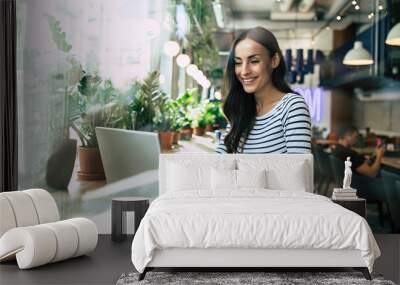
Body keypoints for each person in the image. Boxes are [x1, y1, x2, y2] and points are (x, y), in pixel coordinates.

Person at [215, 27, 311, 154]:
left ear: (274, 61)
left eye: (254, 61)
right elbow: (219, 162)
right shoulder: (240, 109)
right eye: (238, 63)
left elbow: (300, 171)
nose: (244, 71)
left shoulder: (292, 107)